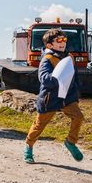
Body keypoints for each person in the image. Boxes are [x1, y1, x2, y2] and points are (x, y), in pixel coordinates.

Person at [23, 29, 85, 164]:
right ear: (49, 45)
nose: (63, 43)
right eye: (59, 40)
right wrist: (58, 79)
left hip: (67, 98)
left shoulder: (70, 57)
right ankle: (29, 146)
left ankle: (70, 142)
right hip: (50, 98)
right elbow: (44, 78)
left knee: (78, 117)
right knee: (39, 125)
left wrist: (76, 92)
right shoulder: (47, 59)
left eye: (64, 40)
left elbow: (74, 77)